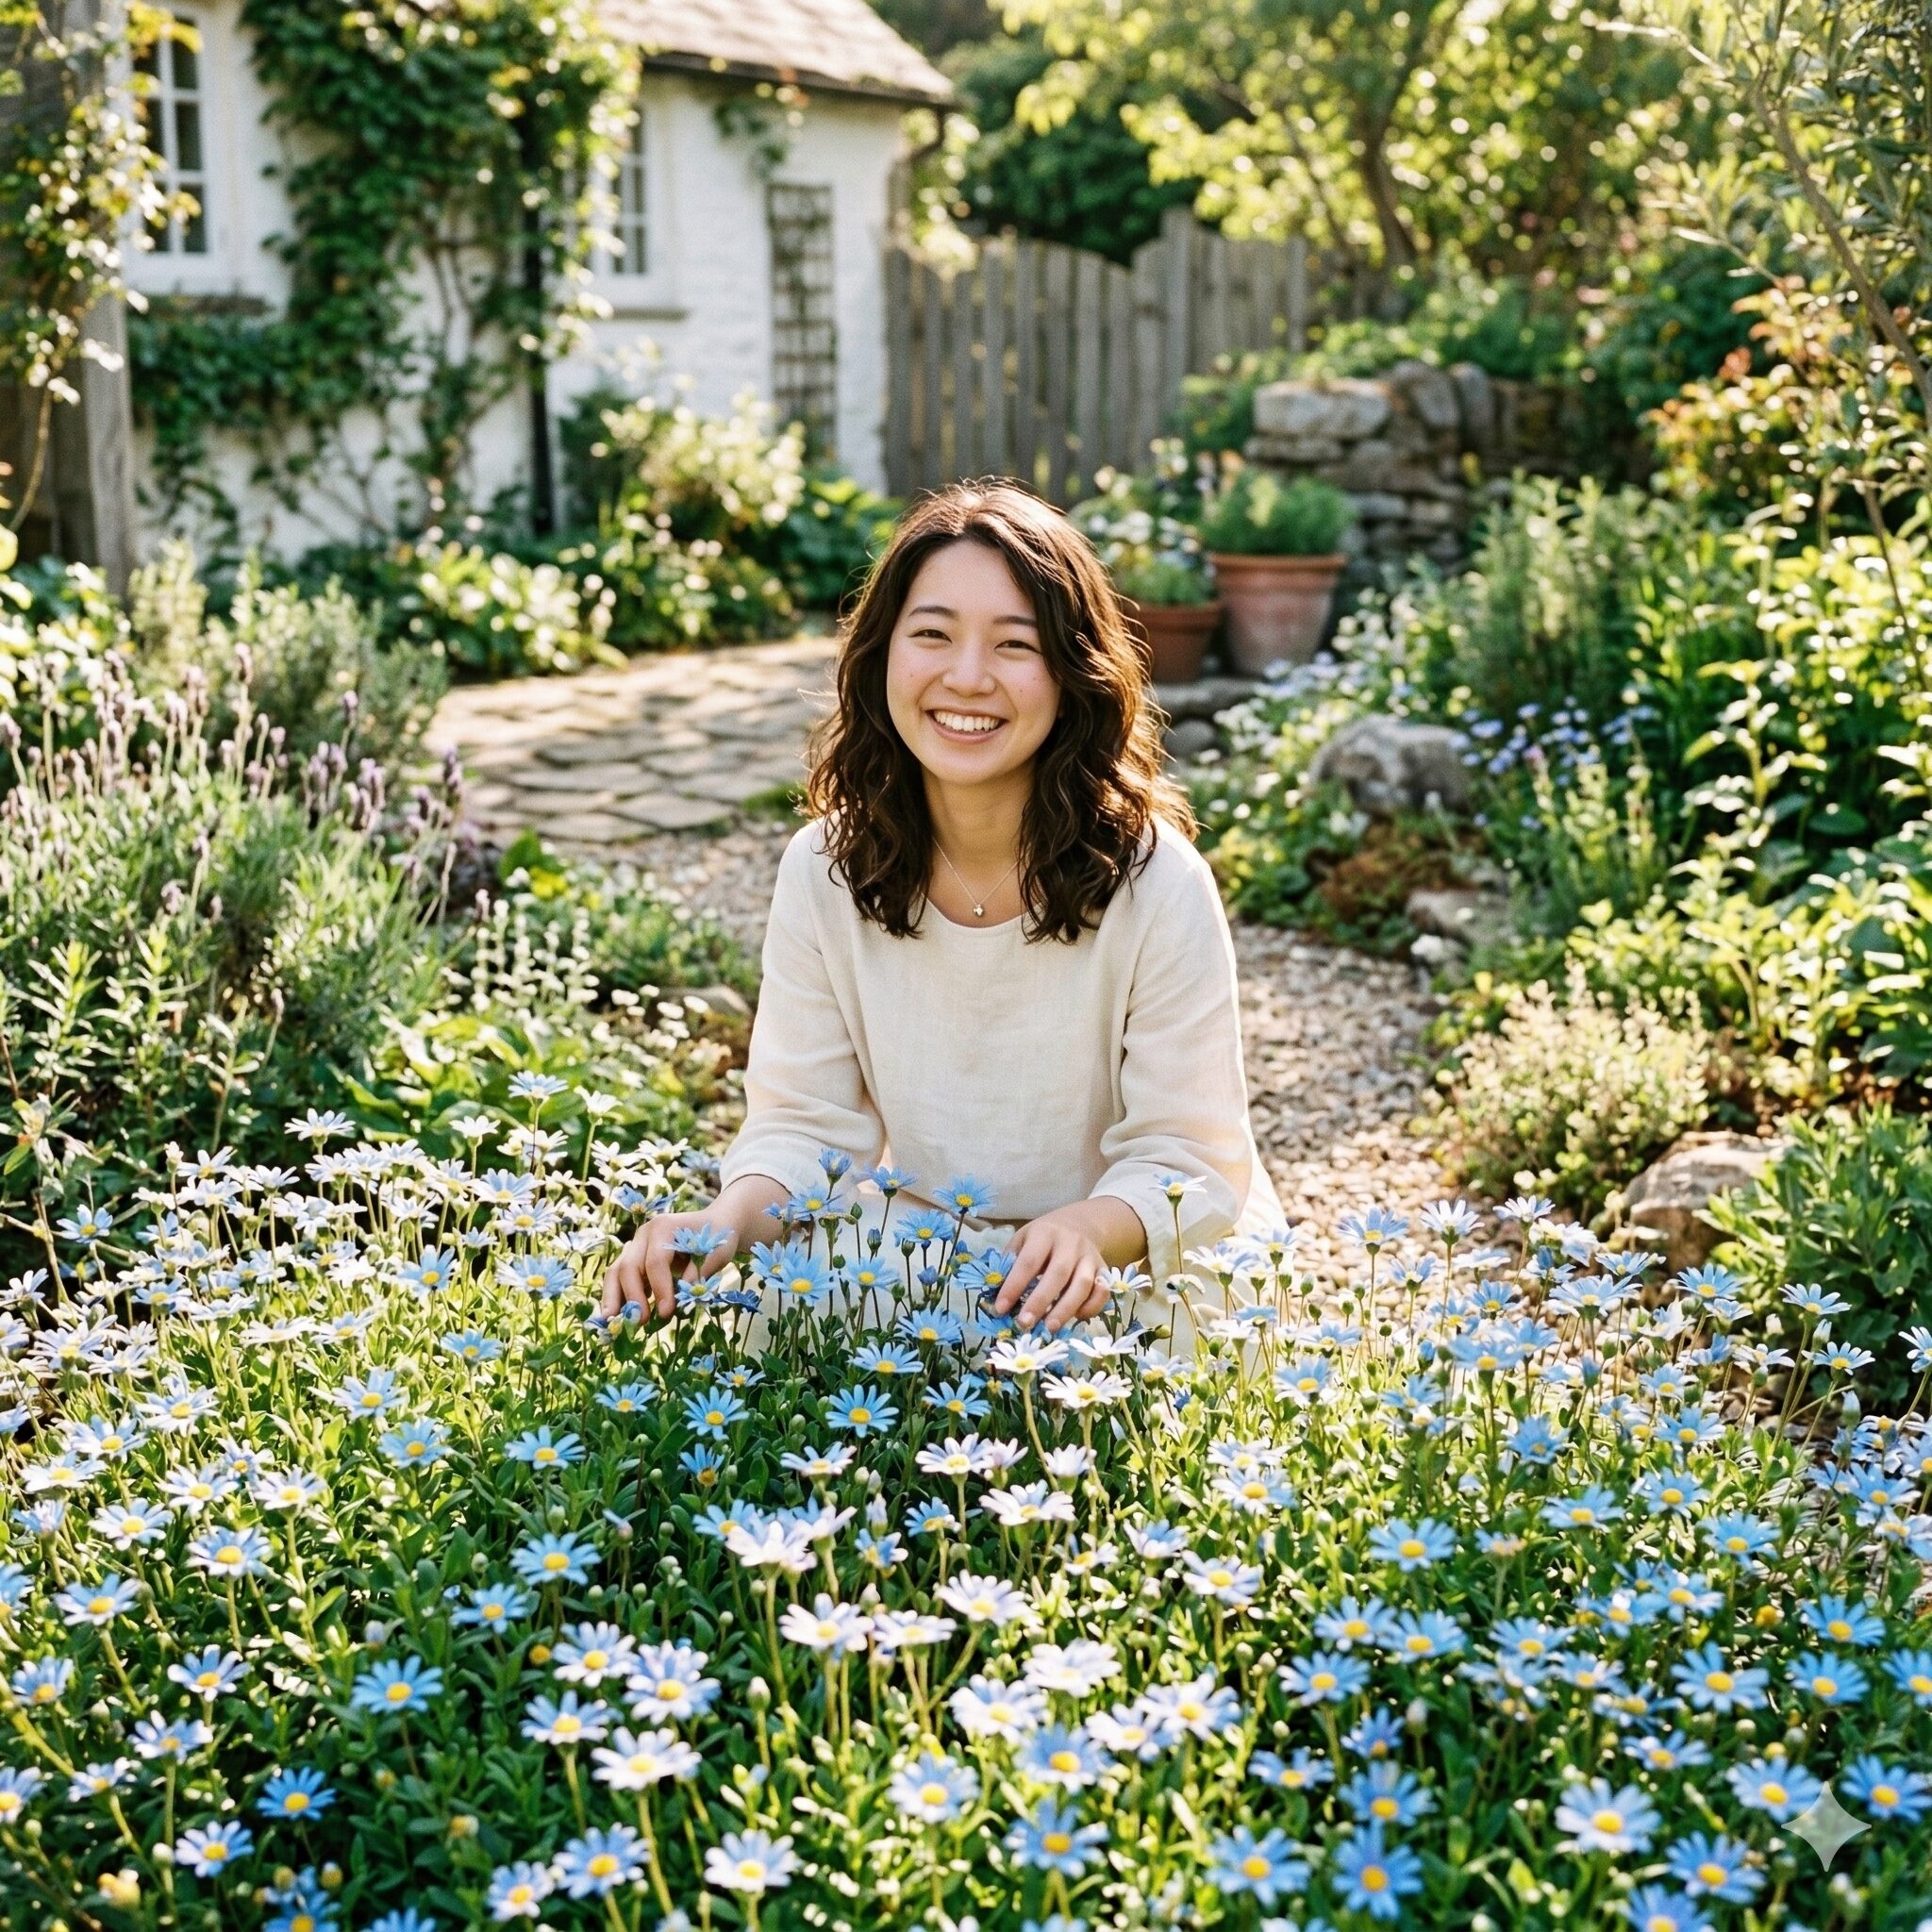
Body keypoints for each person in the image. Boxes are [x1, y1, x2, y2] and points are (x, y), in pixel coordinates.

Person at [600, 478, 1284, 1336]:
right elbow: (805, 1126)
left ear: (1075, 675)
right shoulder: (825, 869)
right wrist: (724, 1222)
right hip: (926, 1239)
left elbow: (1187, 1158)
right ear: (882, 653)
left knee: (1168, 1342)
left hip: (1126, 1247)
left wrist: (1084, 1231)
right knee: (769, 1303)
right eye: (932, 635)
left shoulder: (1159, 882)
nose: (967, 678)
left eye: (1015, 645)